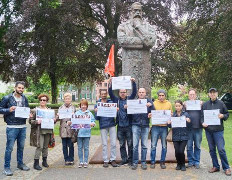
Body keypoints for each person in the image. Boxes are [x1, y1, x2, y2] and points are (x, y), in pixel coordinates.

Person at [117, 2, 156, 97]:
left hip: (144, 64)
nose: (137, 12)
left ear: (142, 12)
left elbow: (150, 42)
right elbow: (123, 41)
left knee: (145, 92)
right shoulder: (123, 26)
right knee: (129, 91)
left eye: (140, 10)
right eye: (135, 10)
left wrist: (139, 27)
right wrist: (143, 43)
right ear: (130, 12)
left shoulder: (149, 27)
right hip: (128, 65)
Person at [0, 81, 30, 176]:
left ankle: (20, 164)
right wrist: (9, 110)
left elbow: (27, 108)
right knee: (9, 148)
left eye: (22, 88)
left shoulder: (24, 98)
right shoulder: (7, 98)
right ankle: (7, 167)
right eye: (19, 88)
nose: (21, 89)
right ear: (15, 88)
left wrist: (29, 113)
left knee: (21, 147)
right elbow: (0, 109)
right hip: (12, 126)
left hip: (22, 126)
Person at [201, 88, 231, 176]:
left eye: (214, 93)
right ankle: (216, 166)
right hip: (209, 131)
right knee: (212, 149)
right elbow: (202, 116)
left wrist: (223, 116)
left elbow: (227, 114)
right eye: (211, 93)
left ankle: (226, 167)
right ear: (209, 94)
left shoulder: (221, 103)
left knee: (221, 149)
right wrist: (202, 122)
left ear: (217, 94)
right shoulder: (205, 104)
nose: (213, 94)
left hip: (218, 131)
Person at [108, 78, 136, 166]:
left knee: (130, 144)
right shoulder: (116, 100)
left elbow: (134, 92)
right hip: (120, 126)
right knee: (121, 144)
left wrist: (133, 83)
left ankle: (130, 160)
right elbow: (110, 93)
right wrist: (110, 83)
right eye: (121, 92)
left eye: (124, 92)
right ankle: (124, 159)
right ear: (119, 93)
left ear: (126, 93)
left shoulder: (130, 99)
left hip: (129, 126)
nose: (123, 93)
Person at [29, 94, 56, 170]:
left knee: (45, 146)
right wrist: (37, 122)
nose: (42, 101)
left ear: (46, 101)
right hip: (39, 131)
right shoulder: (35, 110)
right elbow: (30, 121)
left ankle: (44, 161)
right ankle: (36, 163)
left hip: (48, 130)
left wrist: (54, 120)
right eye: (41, 100)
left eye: (44, 100)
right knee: (39, 146)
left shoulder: (50, 110)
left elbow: (53, 121)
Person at [130, 88, 154, 170]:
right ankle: (135, 162)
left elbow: (154, 112)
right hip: (135, 125)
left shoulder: (149, 102)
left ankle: (143, 162)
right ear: (137, 93)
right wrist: (128, 108)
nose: (141, 93)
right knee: (135, 146)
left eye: (142, 92)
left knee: (144, 145)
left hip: (145, 125)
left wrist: (151, 112)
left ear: (145, 93)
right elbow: (129, 113)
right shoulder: (133, 102)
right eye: (139, 92)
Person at [94, 90, 118, 168]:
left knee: (113, 143)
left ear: (107, 94)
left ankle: (113, 159)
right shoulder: (97, 104)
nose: (103, 95)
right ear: (100, 94)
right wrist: (96, 112)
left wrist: (116, 110)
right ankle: (105, 160)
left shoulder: (111, 102)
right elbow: (97, 118)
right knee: (104, 144)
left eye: (105, 94)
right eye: (102, 94)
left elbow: (115, 114)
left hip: (111, 124)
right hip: (103, 125)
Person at [150, 89, 173, 169]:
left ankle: (162, 161)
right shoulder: (154, 103)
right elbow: (151, 112)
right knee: (153, 145)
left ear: (165, 96)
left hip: (164, 127)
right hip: (155, 126)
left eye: (162, 95)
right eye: (159, 95)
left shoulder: (169, 104)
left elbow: (171, 114)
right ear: (158, 96)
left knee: (164, 145)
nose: (161, 97)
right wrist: (150, 115)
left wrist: (171, 116)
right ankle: (152, 162)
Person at [69, 99, 95, 168]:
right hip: (79, 134)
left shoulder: (89, 113)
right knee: (80, 148)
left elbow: (93, 121)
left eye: (85, 105)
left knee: (86, 148)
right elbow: (73, 122)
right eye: (82, 105)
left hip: (87, 133)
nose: (83, 106)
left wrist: (92, 124)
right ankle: (81, 161)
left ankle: (85, 161)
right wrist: (71, 123)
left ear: (87, 106)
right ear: (80, 106)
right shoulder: (77, 113)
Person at [168, 100, 191, 171]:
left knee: (181, 151)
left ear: (182, 106)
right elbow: (169, 126)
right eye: (176, 106)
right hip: (175, 136)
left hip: (184, 136)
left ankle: (183, 164)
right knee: (177, 151)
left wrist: (188, 121)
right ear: (175, 107)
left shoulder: (186, 114)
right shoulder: (173, 115)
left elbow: (189, 124)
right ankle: (178, 164)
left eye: (179, 106)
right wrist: (169, 123)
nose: (178, 107)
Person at [184, 89, 203, 169]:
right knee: (189, 146)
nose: (192, 96)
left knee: (197, 146)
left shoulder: (200, 104)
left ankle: (197, 162)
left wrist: (202, 105)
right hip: (188, 128)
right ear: (188, 95)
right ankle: (190, 161)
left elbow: (204, 114)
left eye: (193, 94)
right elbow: (182, 113)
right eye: (190, 94)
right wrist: (184, 106)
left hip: (198, 127)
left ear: (195, 95)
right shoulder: (186, 104)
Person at [57, 93, 76, 165]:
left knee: (71, 145)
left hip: (70, 129)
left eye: (69, 99)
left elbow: (76, 118)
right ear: (64, 99)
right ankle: (66, 159)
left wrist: (73, 120)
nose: (67, 100)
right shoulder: (61, 108)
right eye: (66, 99)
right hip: (63, 129)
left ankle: (71, 159)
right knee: (64, 145)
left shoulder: (73, 108)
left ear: (71, 99)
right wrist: (57, 116)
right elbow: (58, 118)